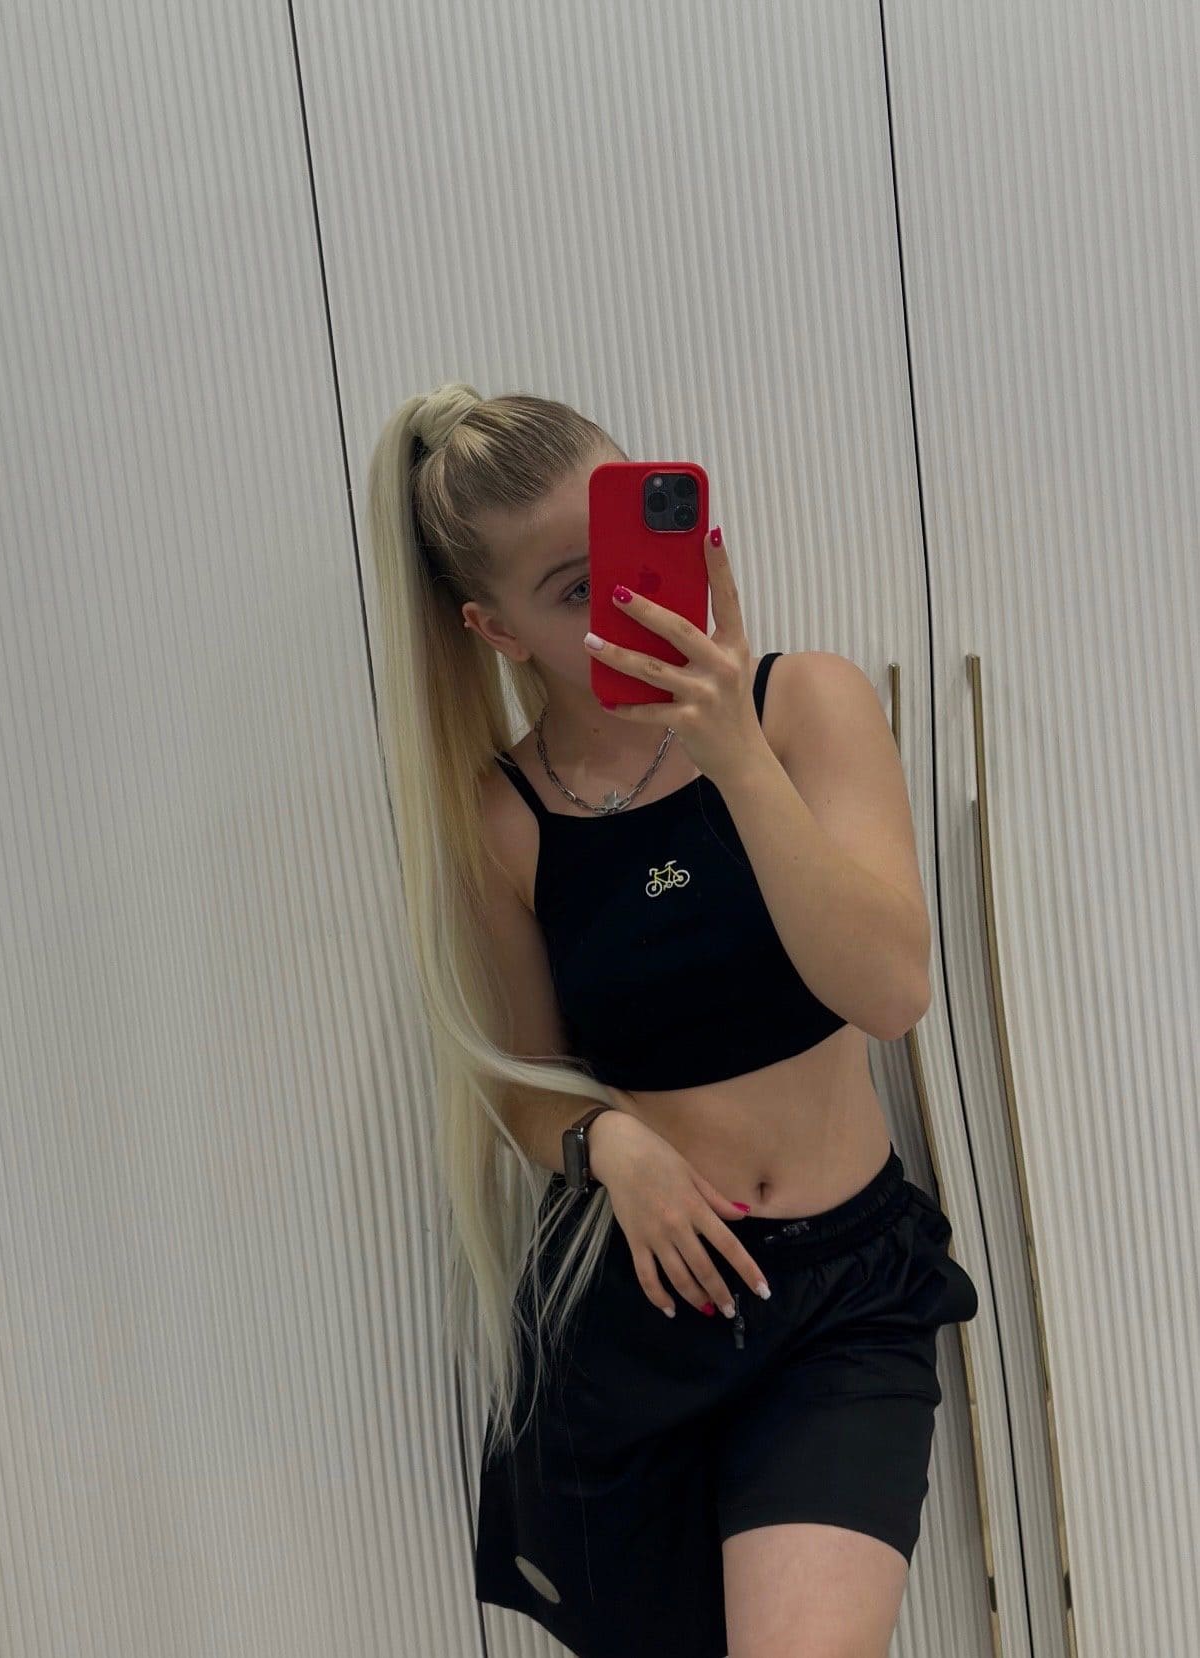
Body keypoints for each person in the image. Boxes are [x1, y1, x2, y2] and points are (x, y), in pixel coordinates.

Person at [363, 381, 979, 1658]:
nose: (632, 604)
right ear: (495, 629)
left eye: (635, 542)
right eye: (576, 589)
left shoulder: (805, 706)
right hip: (636, 1311)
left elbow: (890, 991)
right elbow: (524, 1077)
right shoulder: (504, 817)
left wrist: (732, 752)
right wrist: (612, 1146)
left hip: (844, 1303)